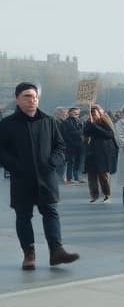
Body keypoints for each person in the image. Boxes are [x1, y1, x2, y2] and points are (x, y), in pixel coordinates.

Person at [0, 83, 80, 270]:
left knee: (51, 212)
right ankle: (29, 254)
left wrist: (53, 162)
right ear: (17, 99)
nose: (32, 99)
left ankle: (56, 251)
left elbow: (60, 146)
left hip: (46, 177)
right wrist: (15, 166)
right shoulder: (8, 124)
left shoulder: (48, 121)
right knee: (23, 215)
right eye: (27, 96)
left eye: (35, 96)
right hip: (21, 178)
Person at [83, 105, 116, 203]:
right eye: (91, 114)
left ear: (99, 113)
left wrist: (95, 126)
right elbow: (86, 133)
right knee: (91, 175)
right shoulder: (88, 122)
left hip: (103, 151)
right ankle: (94, 195)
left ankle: (107, 194)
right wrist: (89, 124)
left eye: (95, 114)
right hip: (91, 151)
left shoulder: (104, 121)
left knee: (103, 174)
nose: (93, 116)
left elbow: (109, 134)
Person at [62, 107, 85, 185]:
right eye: (74, 112)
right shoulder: (66, 122)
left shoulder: (79, 121)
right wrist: (78, 133)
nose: (76, 113)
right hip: (71, 145)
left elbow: (83, 131)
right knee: (70, 161)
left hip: (79, 144)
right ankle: (69, 178)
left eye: (78, 112)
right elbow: (66, 134)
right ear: (70, 112)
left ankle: (76, 177)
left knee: (78, 161)